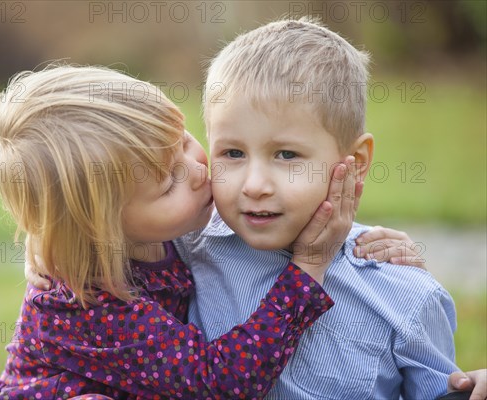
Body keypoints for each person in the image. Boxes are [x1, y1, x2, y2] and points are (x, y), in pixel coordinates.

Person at [0, 64, 365, 399]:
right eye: (168, 184)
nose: (197, 171)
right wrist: (309, 267)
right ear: (100, 228)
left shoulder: (150, 229)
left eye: (185, 143)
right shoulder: (85, 304)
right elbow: (219, 382)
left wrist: (360, 239)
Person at [170, 17, 486, 399]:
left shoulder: (402, 295)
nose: (253, 185)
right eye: (232, 153)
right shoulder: (186, 252)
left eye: (286, 155)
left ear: (356, 161)